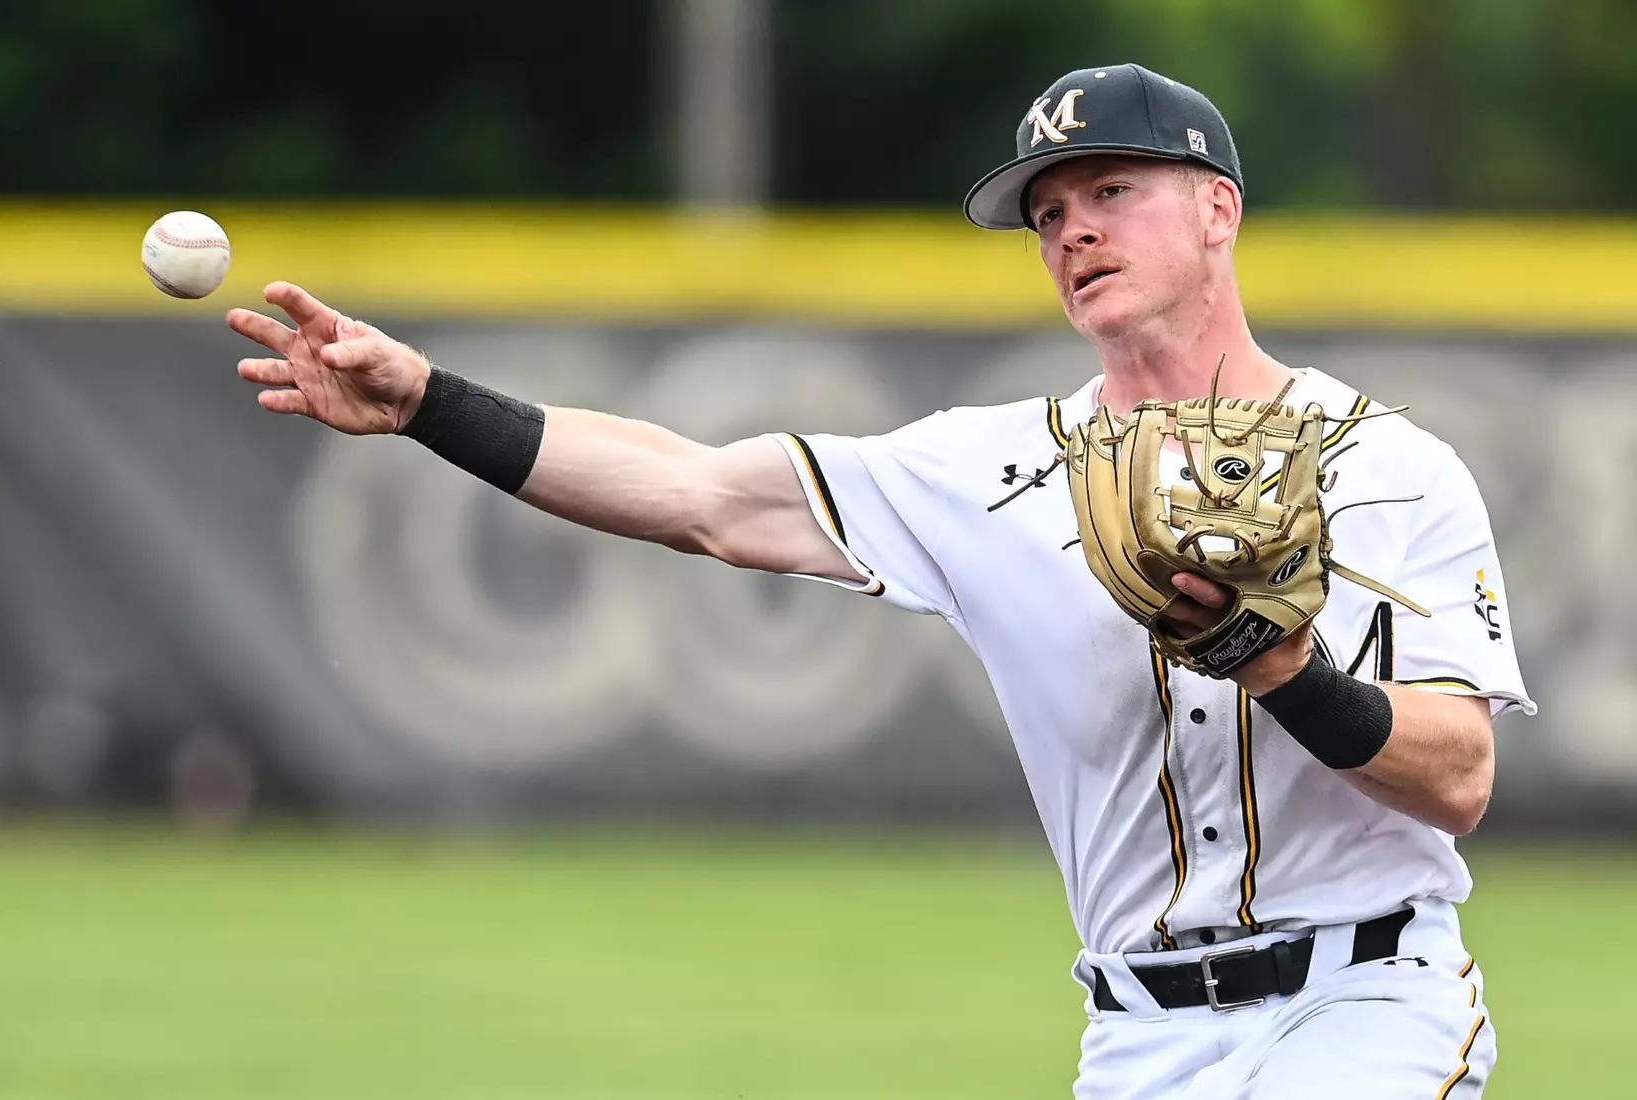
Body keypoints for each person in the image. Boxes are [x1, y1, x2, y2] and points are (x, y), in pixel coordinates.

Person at [229, 63, 1532, 1099]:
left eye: (1110, 189)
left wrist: (1288, 672)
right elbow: (699, 496)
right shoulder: (990, 472)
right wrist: (429, 404)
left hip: (1367, 1002)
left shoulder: (1395, 470)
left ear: (1217, 209)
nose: (1073, 229)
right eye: (1047, 215)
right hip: (1138, 1036)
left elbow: (1459, 779)